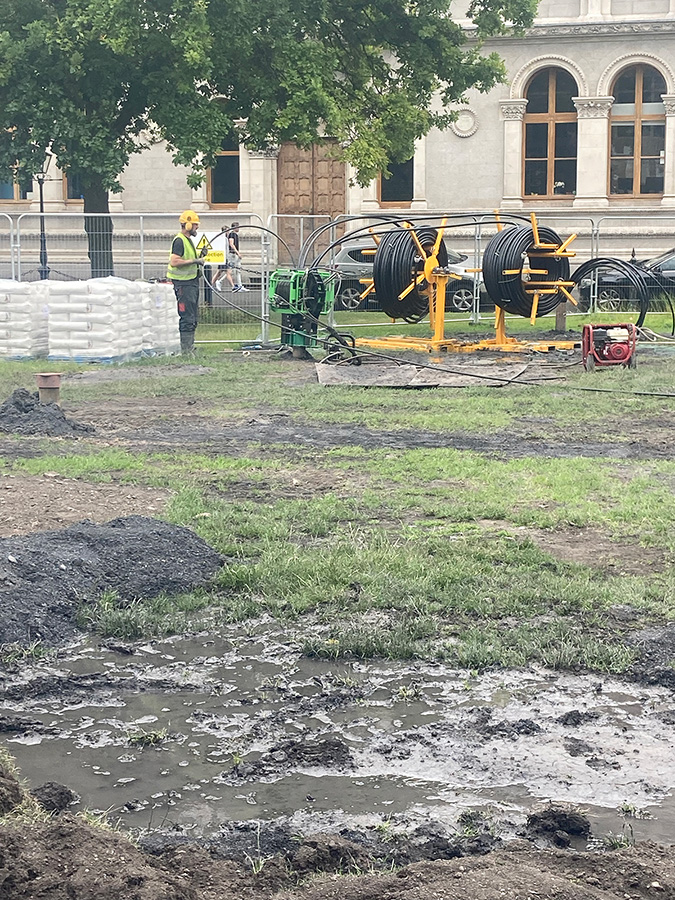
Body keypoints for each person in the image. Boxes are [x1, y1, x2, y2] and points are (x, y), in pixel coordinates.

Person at [166, 209, 205, 355]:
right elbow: (175, 261)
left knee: (192, 316)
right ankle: (186, 350)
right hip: (183, 284)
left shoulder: (187, 240)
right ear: (188, 225)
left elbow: (186, 259)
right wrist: (195, 261)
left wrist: (199, 256)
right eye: (195, 224)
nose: (197, 227)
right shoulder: (179, 241)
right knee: (187, 317)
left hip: (191, 282)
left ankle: (190, 347)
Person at [210, 224, 235, 292]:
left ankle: (210, 285)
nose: (228, 232)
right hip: (223, 258)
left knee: (219, 273)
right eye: (228, 231)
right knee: (227, 272)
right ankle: (233, 286)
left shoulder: (224, 239)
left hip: (223, 258)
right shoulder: (223, 239)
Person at [227, 222, 249, 292]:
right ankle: (239, 286)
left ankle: (240, 285)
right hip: (233, 255)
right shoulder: (232, 234)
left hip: (234, 254)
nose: (239, 228)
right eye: (238, 227)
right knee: (232, 270)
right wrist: (237, 253)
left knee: (236, 270)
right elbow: (231, 244)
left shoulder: (234, 234)